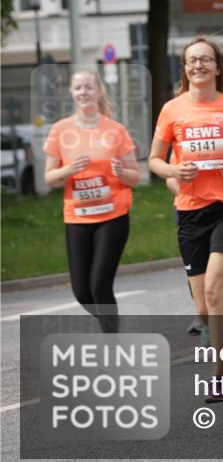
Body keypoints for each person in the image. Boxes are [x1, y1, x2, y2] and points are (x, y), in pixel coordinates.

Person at [149, 37, 223, 402]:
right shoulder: (172, 110)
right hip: (191, 210)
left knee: (214, 291)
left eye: (205, 60)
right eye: (191, 60)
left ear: (217, 67)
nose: (198, 66)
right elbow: (154, 161)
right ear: (185, 68)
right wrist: (175, 169)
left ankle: (220, 376)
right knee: (204, 305)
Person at [44, 69, 139, 333]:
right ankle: (112, 325)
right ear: (72, 93)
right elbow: (50, 178)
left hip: (113, 215)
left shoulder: (115, 130)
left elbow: (134, 176)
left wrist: (122, 172)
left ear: (98, 92)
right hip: (77, 217)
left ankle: (111, 342)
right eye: (78, 88)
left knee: (99, 284)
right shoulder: (60, 130)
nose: (83, 92)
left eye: (88, 87)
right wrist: (69, 170)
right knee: (82, 291)